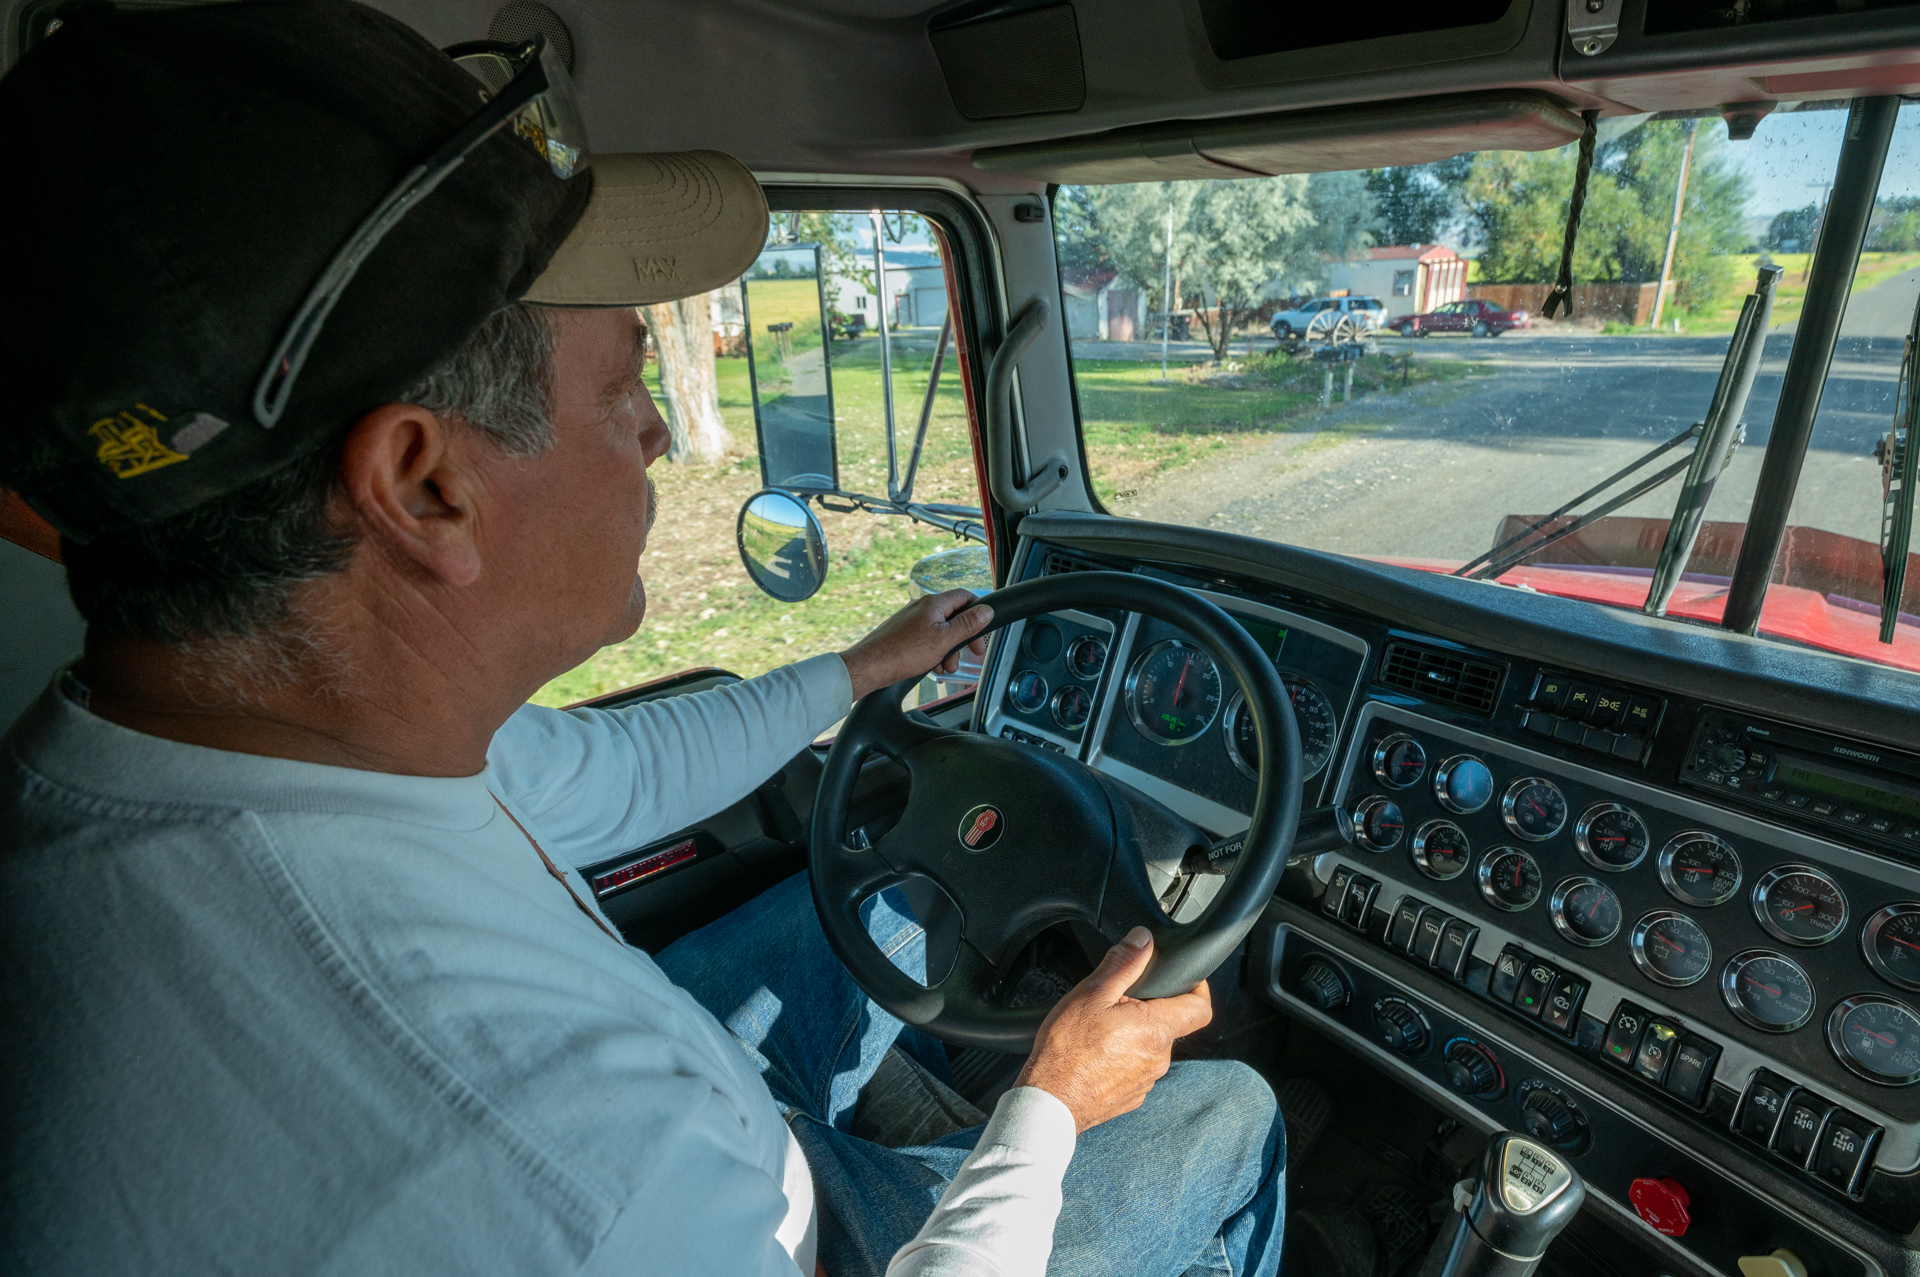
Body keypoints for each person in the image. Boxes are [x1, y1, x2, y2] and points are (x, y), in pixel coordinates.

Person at [0, 2, 1285, 1274]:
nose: (663, 432)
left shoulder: (239, 742)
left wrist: (858, 669)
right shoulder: (556, 1153)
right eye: (623, 387)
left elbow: (612, 774)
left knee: (896, 902)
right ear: (423, 485)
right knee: (1228, 1116)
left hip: (714, 1122)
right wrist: (1050, 1102)